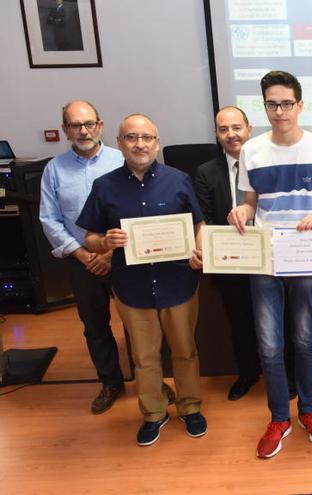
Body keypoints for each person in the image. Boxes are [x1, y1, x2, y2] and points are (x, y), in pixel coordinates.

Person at [77, 114, 206, 446]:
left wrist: (200, 251)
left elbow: (198, 225)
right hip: (131, 286)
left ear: (157, 143)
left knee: (185, 351)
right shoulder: (104, 186)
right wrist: (104, 242)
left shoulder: (179, 180)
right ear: (120, 143)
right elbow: (90, 236)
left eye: (147, 137)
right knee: (144, 357)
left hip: (178, 282)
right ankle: (154, 413)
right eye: (132, 137)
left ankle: (190, 407)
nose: (140, 144)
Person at [227, 70, 312, 458]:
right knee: (270, 345)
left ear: (300, 105)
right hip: (266, 260)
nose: (280, 111)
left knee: (305, 339)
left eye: (286, 103)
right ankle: (279, 417)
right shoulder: (251, 151)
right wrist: (240, 210)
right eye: (272, 104)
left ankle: (307, 410)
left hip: (305, 257)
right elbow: (250, 204)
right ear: (264, 106)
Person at [39, 100, 125, 414]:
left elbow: (134, 209)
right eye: (75, 125)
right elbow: (49, 219)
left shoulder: (121, 161)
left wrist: (110, 254)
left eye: (89, 123)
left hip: (124, 258)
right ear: (66, 130)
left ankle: (150, 382)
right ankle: (111, 382)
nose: (83, 131)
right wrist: (84, 254)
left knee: (137, 323)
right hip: (81, 261)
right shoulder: (54, 169)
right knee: (95, 325)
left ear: (100, 126)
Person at [194, 106, 267, 401]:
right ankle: (248, 372)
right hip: (231, 261)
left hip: (268, 257)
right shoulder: (205, 172)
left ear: (249, 129)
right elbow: (206, 218)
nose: (231, 134)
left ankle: (283, 373)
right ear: (216, 134)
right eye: (224, 129)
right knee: (239, 320)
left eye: (236, 127)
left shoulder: (267, 163)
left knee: (276, 318)